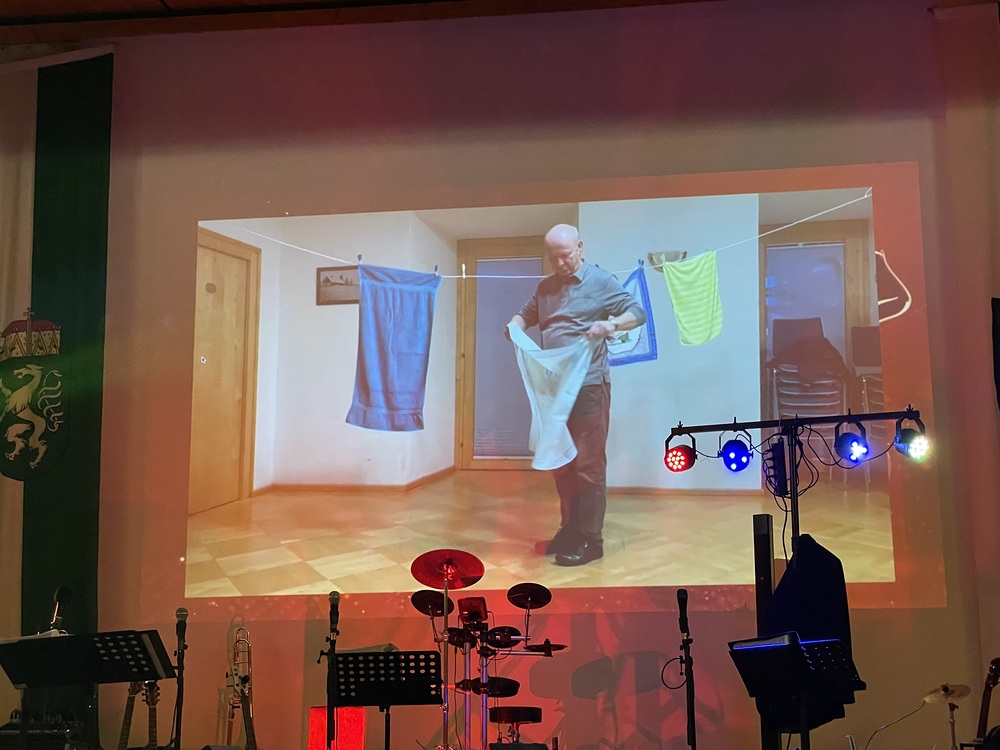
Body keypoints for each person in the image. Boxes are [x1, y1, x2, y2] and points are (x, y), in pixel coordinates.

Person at [508, 224, 646, 566]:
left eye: (566, 255)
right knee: (563, 463)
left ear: (580, 248)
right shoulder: (546, 287)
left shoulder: (600, 281)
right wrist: (514, 326)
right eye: (553, 257)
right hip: (554, 390)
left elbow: (637, 313)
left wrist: (610, 325)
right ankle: (569, 530)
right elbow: (526, 315)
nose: (560, 263)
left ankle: (591, 539)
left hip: (589, 387)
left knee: (588, 464)